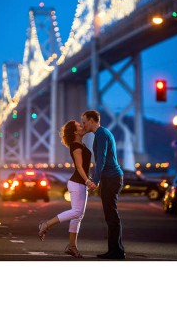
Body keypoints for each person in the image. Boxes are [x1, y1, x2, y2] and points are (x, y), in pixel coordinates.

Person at [37, 120, 95, 258]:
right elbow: (79, 167)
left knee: (78, 216)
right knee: (76, 212)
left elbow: (85, 167)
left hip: (80, 183)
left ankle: (72, 247)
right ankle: (46, 224)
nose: (82, 126)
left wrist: (89, 179)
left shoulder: (81, 144)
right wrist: (87, 180)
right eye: (79, 125)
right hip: (77, 183)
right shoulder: (76, 146)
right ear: (75, 132)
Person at [82, 109, 125, 259]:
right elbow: (101, 159)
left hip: (111, 178)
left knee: (111, 215)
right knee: (111, 215)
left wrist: (95, 180)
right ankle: (115, 250)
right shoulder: (103, 133)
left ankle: (116, 251)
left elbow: (101, 158)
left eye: (84, 122)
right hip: (112, 177)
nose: (83, 125)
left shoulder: (100, 134)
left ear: (92, 121)